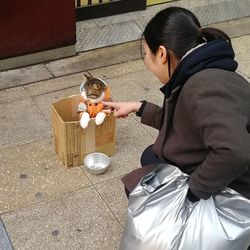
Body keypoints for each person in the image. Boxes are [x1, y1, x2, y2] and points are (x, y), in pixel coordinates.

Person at [103, 7, 250, 202]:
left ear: (162, 54)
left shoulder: (204, 87)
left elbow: (235, 152)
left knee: (139, 192)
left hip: (235, 188)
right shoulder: (199, 70)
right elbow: (186, 122)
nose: (146, 61)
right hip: (213, 161)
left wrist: (191, 194)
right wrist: (140, 107)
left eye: (146, 54)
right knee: (151, 157)